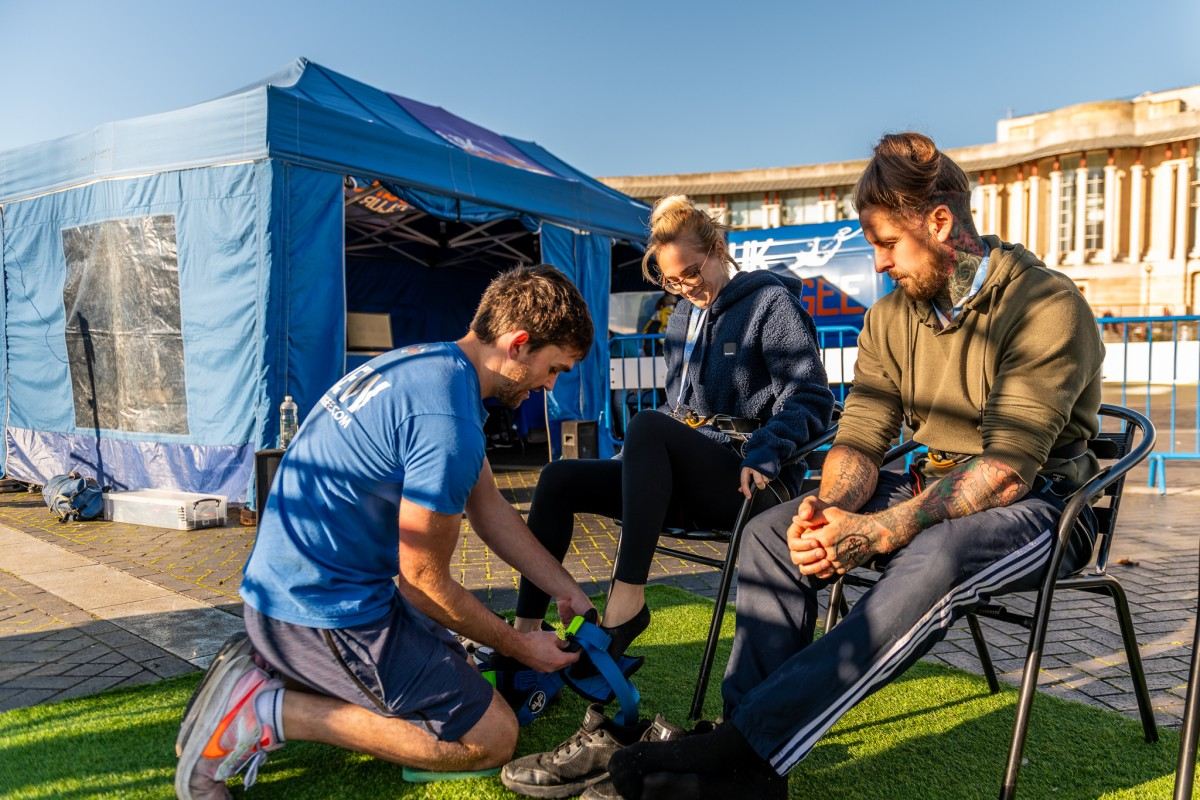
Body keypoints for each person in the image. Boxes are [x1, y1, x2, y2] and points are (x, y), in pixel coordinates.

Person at [607, 132, 1105, 800]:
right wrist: (833, 507)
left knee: (937, 553)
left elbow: (1010, 467)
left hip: (1045, 505)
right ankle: (747, 766)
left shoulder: (1046, 305)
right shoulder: (892, 316)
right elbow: (863, 436)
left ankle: (741, 749)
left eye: (885, 243)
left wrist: (881, 530)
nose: (877, 262)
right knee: (769, 532)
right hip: (932, 483)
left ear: (939, 223)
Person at [174, 265, 598, 799]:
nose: (550, 385)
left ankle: (271, 664)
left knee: (462, 665)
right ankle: (267, 709)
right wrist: (519, 646)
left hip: (292, 590)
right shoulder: (449, 422)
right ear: (517, 345)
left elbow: (489, 509)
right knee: (492, 735)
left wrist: (565, 589)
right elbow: (423, 583)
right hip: (315, 610)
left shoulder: (430, 364)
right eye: (553, 368)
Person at [507, 195, 834, 696]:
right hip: (690, 476)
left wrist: (766, 451)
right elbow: (676, 410)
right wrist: (632, 460)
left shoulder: (771, 303)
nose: (683, 287)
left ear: (717, 248)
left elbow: (811, 395)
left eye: (691, 273)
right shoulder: (681, 317)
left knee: (645, 426)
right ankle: (524, 637)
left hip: (753, 481)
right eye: (670, 280)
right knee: (559, 478)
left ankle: (627, 603)